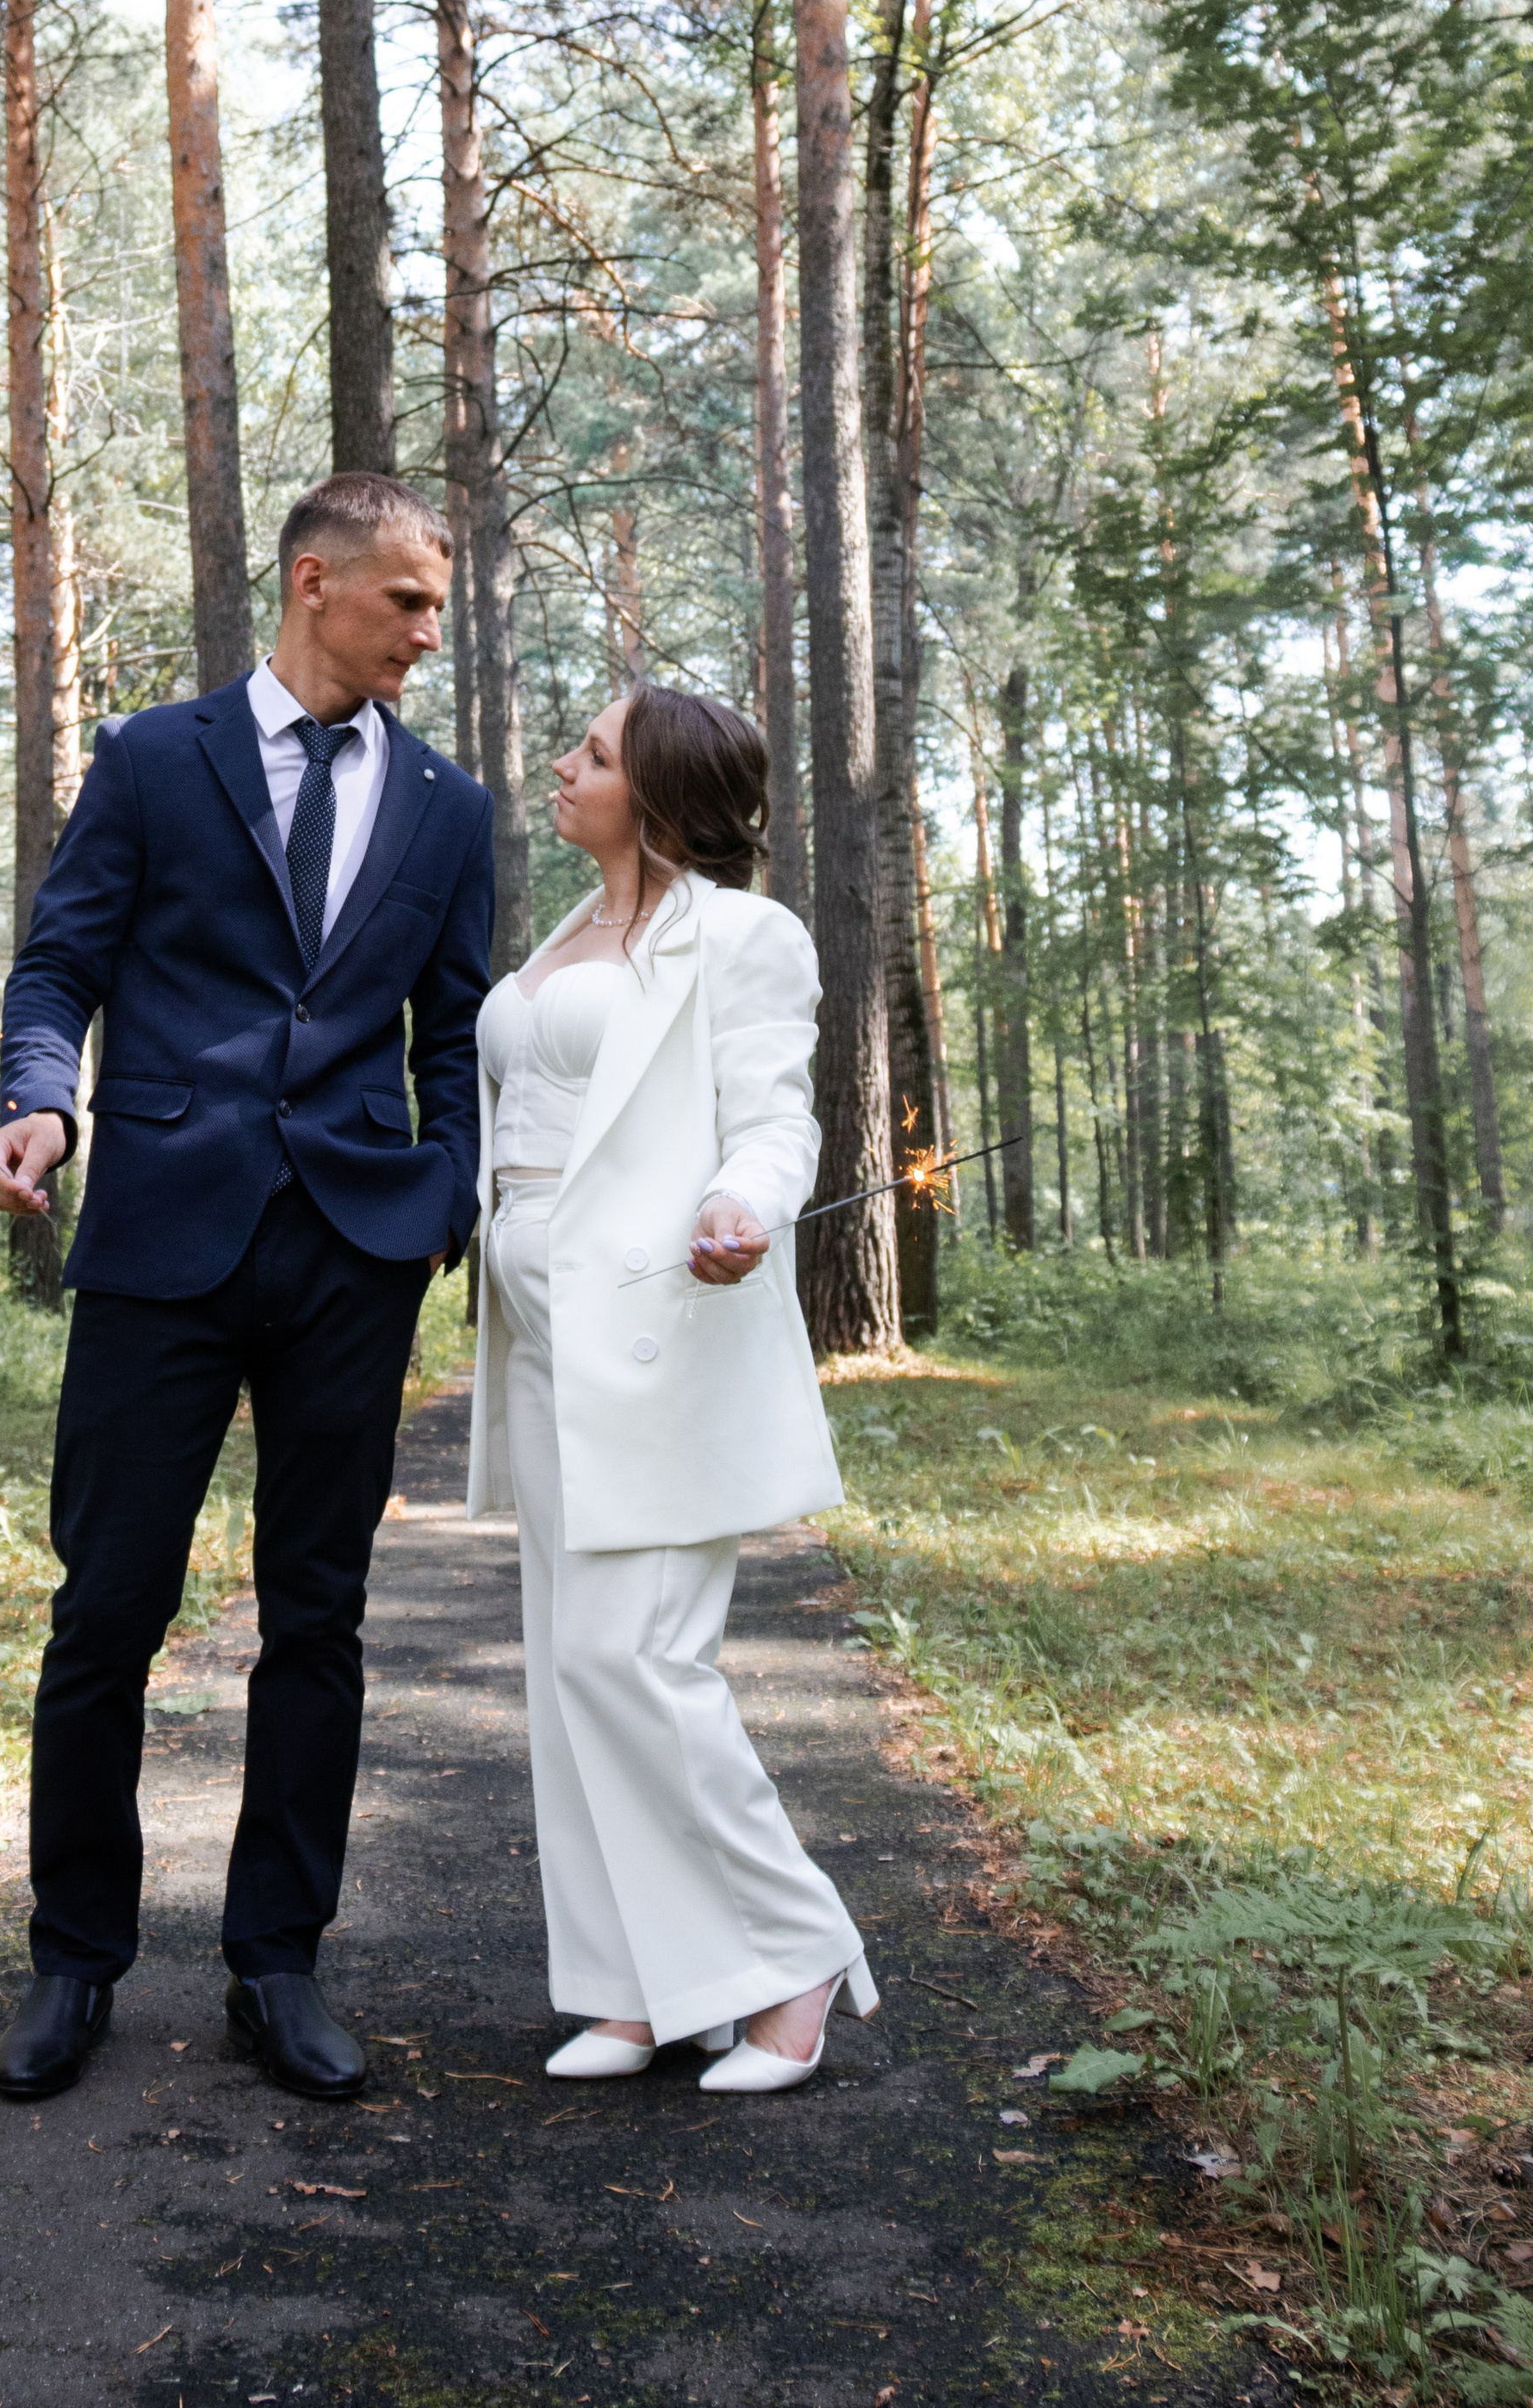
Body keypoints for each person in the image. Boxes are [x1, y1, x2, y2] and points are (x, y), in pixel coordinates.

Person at [0, 473, 494, 2107]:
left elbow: (459, 1031)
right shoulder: (150, 759)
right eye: (406, 598)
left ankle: (279, 1964)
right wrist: (44, 1098)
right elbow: (60, 959)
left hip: (354, 1255)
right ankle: (76, 1965)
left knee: (318, 1620)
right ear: (313, 581)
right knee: (106, 1611)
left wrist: (446, 1195)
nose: (430, 629)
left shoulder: (452, 810)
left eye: (439, 603)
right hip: (160, 1242)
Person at [469, 681, 876, 2094]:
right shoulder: (564, 935)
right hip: (543, 1339)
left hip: (661, 1330)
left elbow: (776, 1116)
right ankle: (632, 1985)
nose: (563, 766)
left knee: (638, 1662)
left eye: (591, 753)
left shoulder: (744, 936)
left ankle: (793, 1951)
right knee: (571, 1671)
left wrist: (743, 1204)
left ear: (658, 793)